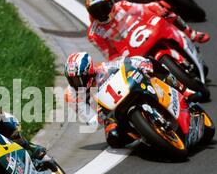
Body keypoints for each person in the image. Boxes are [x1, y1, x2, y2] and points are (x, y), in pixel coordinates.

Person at [64, 52, 193, 148]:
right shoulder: (71, 95)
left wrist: (142, 64)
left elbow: (125, 62)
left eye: (79, 78)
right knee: (113, 138)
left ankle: (183, 89)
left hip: (127, 92)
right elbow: (91, 120)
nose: (76, 83)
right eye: (72, 79)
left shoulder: (102, 69)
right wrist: (101, 117)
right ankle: (146, 136)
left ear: (90, 71)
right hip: (109, 114)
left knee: (150, 62)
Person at [85, 0, 210, 60]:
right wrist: (119, 59)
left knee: (159, 6)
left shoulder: (122, 5)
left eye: (103, 8)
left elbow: (144, 8)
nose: (101, 13)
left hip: (142, 31)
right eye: (95, 11)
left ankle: (191, 33)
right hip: (127, 50)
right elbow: (108, 54)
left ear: (111, 2)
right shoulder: (94, 33)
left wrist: (157, 8)